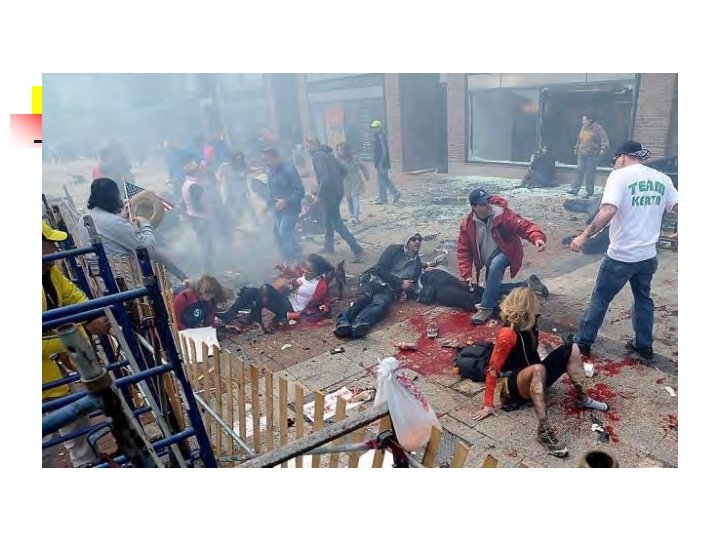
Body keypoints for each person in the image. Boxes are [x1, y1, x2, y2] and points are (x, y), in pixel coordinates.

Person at [570, 141, 678, 360]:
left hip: (621, 256)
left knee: (600, 298)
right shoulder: (662, 179)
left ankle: (582, 342)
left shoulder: (619, 177)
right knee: (643, 299)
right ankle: (644, 346)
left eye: (614, 160)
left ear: (623, 157)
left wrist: (584, 236)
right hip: (647, 256)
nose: (614, 165)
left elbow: (608, 211)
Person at [473, 287, 609, 457]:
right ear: (527, 305)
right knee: (538, 369)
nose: (539, 302)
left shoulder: (531, 322)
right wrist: (487, 404)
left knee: (572, 348)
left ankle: (583, 399)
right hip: (514, 387)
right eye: (536, 300)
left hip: (537, 375)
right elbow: (493, 369)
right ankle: (543, 431)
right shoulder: (507, 333)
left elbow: (532, 352)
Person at [42, 221, 112, 467]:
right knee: (43, 445)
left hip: (53, 369)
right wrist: (84, 329)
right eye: (51, 243)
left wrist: (91, 315)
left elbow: (74, 296)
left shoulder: (49, 272)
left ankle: (87, 467)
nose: (56, 248)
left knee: (77, 425)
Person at [457, 187, 549, 324]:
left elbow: (524, 225)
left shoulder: (502, 213)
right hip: (489, 257)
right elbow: (464, 250)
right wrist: (467, 274)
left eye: (489, 201)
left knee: (496, 265)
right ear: (474, 207)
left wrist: (537, 238)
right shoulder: (467, 225)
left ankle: (485, 308)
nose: (488, 205)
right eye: (483, 204)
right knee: (491, 289)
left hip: (508, 251)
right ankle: (528, 285)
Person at [77, 177, 188, 280]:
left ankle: (181, 275)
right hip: (123, 279)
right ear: (113, 198)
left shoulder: (83, 219)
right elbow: (148, 248)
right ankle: (182, 276)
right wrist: (144, 224)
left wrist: (122, 219)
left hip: (97, 279)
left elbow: (109, 230)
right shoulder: (115, 222)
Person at [334, 233, 423, 339]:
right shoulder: (393, 250)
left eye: (419, 240)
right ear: (407, 241)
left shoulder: (417, 264)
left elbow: (410, 283)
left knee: (380, 304)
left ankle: (359, 325)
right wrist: (400, 283)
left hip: (388, 289)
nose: (417, 242)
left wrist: (403, 292)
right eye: (414, 239)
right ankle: (343, 322)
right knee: (363, 298)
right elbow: (380, 270)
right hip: (372, 279)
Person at [220, 254, 334, 332]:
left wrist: (325, 306)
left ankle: (255, 317)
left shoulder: (320, 285)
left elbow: (326, 301)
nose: (305, 271)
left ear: (317, 272)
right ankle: (229, 316)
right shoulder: (303, 274)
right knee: (249, 291)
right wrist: (283, 268)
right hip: (284, 299)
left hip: (291, 309)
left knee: (266, 288)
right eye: (305, 267)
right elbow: (293, 271)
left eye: (309, 270)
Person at [306, 137, 365, 262]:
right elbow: (343, 170)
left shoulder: (317, 156)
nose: (306, 148)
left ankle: (357, 249)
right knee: (327, 219)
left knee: (337, 223)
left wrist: (319, 195)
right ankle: (328, 246)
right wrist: (337, 183)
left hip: (329, 194)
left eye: (308, 145)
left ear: (313, 145)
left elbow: (324, 177)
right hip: (337, 192)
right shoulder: (329, 155)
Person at [263, 147, 305, 264]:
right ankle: (287, 259)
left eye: (268, 160)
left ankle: (298, 258)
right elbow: (271, 192)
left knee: (284, 231)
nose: (266, 163)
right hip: (277, 209)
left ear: (276, 158)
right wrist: (267, 207)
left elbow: (300, 191)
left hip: (291, 209)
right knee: (276, 234)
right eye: (264, 160)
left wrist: (286, 201)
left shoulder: (289, 170)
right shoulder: (270, 172)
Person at [182, 161, 218, 274]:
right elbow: (198, 205)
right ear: (195, 172)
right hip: (200, 218)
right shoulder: (194, 186)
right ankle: (208, 271)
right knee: (206, 245)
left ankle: (206, 269)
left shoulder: (188, 183)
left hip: (195, 217)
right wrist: (209, 210)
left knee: (204, 244)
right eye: (198, 170)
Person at [569, 112, 609, 197]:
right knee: (579, 171)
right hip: (581, 153)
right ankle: (575, 189)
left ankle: (589, 191)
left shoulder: (598, 128)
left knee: (590, 173)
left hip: (592, 154)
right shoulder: (583, 127)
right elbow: (579, 139)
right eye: (582, 120)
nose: (582, 122)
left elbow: (604, 139)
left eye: (584, 120)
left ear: (590, 120)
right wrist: (576, 148)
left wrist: (603, 149)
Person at [216, 150, 257, 226]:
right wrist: (219, 180)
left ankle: (257, 225)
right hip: (230, 194)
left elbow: (249, 175)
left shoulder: (244, 167)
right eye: (237, 159)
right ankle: (222, 225)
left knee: (250, 210)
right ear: (233, 159)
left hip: (241, 193)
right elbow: (218, 174)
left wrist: (248, 191)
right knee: (225, 210)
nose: (238, 161)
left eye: (240, 159)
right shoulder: (225, 166)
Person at [336, 142, 370, 224]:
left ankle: (355, 217)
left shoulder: (354, 158)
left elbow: (363, 166)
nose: (340, 151)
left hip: (355, 181)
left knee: (355, 198)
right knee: (349, 199)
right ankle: (352, 215)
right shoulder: (338, 160)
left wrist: (366, 175)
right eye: (338, 150)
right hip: (345, 183)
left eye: (341, 150)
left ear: (346, 150)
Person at [370, 120, 401, 204]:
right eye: (373, 127)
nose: (374, 129)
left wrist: (381, 162)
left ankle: (394, 194)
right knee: (382, 180)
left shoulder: (380, 136)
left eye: (375, 127)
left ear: (379, 127)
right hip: (379, 162)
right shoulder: (377, 136)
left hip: (382, 163)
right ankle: (384, 197)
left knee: (384, 180)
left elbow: (384, 151)